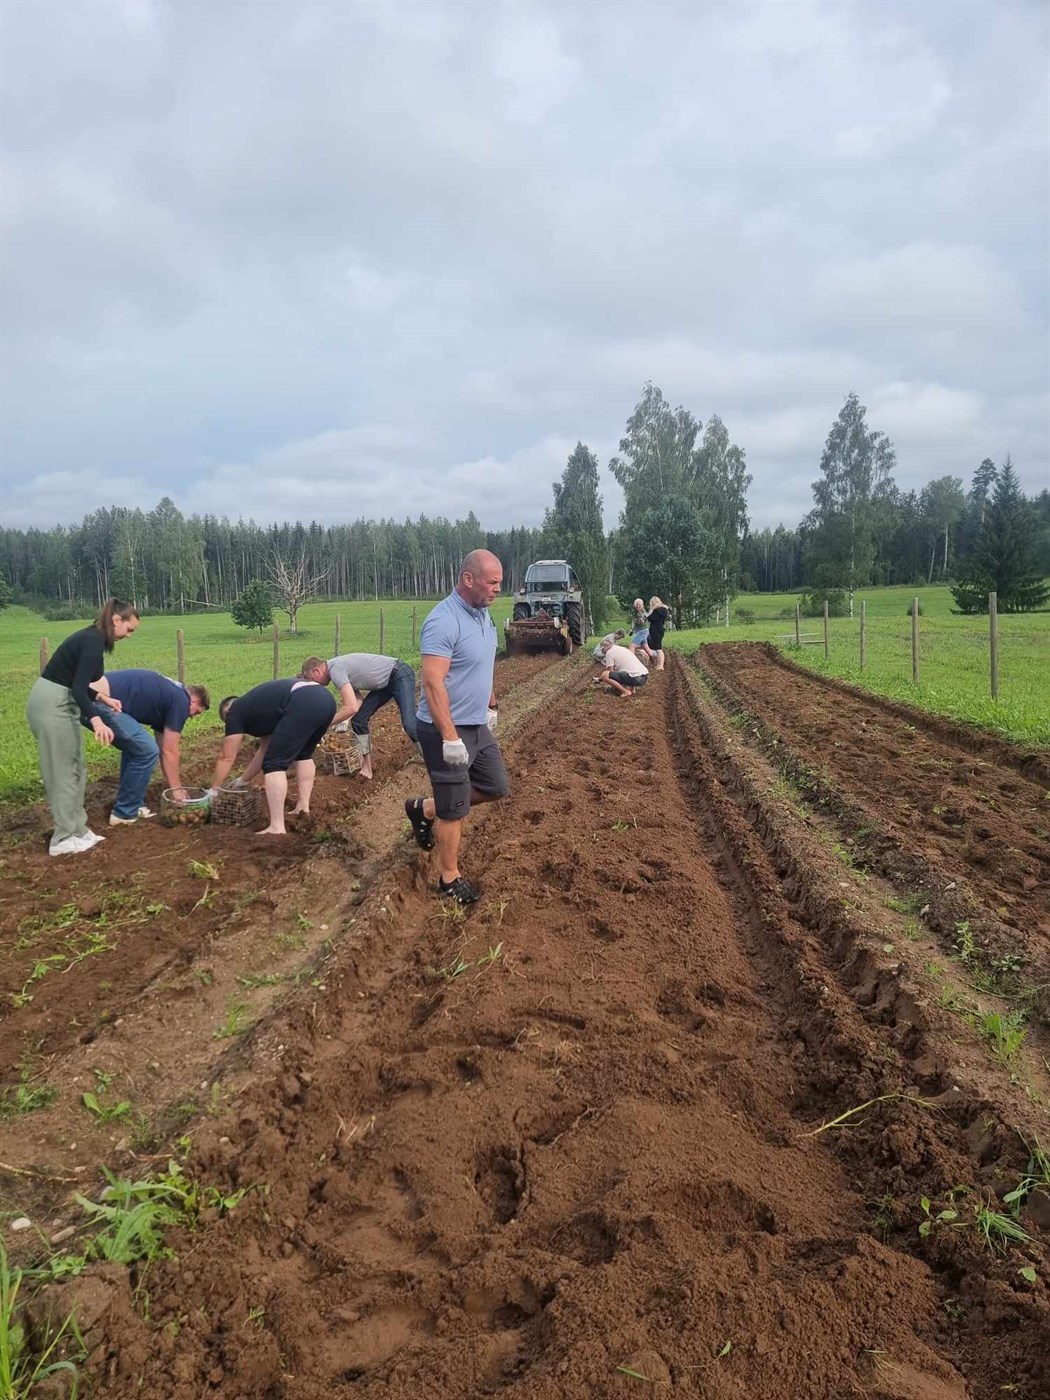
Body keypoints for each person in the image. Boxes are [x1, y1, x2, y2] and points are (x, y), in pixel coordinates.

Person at [403, 549, 509, 905]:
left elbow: (483, 666)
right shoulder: (443, 620)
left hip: (476, 724)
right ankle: (449, 878)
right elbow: (432, 683)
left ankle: (424, 809)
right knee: (455, 808)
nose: (497, 590)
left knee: (496, 785)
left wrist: (490, 703)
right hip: (444, 729)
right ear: (468, 579)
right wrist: (449, 737)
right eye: (492, 583)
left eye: (500, 583)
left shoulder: (484, 617)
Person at [26, 598, 139, 856]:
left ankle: (78, 829)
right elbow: (75, 687)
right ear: (116, 620)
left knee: (76, 768)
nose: (129, 636)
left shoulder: (93, 639)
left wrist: (102, 697)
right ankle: (63, 838)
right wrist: (97, 720)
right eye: (129, 629)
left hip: (62, 701)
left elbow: (76, 683)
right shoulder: (92, 641)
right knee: (62, 771)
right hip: (51, 705)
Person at [210, 677, 336, 835]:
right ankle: (302, 807)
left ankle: (277, 826)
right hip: (326, 699)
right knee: (303, 754)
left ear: (226, 713)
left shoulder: (234, 711)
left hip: (303, 701)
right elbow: (264, 750)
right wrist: (243, 780)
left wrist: (213, 790)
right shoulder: (261, 708)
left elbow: (226, 757)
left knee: (274, 764)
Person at [88, 670, 210, 824]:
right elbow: (169, 751)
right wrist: (177, 790)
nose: (192, 717)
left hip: (95, 698)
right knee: (146, 751)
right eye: (196, 712)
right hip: (98, 701)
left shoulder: (170, 697)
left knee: (137, 749)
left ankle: (133, 804)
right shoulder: (181, 700)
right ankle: (124, 813)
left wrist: (174, 788)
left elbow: (165, 749)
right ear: (194, 700)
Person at [300, 653, 418, 781]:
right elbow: (357, 700)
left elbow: (351, 707)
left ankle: (431, 758)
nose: (315, 685)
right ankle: (367, 767)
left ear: (316, 671)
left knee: (409, 724)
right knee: (359, 720)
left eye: (311, 679)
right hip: (386, 683)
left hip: (400, 674)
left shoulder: (335, 670)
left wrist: (325, 724)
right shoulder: (336, 669)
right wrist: (345, 720)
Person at [646, 596, 671, 672]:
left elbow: (650, 618)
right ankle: (659, 664)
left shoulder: (657, 611)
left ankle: (661, 665)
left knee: (658, 649)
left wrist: (647, 615)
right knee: (657, 648)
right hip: (659, 629)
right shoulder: (664, 610)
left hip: (656, 630)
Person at [629, 599, 655, 664]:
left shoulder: (642, 613)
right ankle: (653, 660)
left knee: (632, 646)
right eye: (637, 605)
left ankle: (631, 662)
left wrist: (641, 620)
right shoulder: (636, 612)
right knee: (645, 646)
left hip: (642, 631)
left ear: (642, 605)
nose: (638, 606)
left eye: (639, 605)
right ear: (634, 605)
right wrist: (632, 629)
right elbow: (634, 622)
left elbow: (642, 621)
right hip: (642, 631)